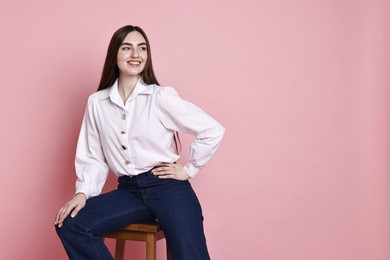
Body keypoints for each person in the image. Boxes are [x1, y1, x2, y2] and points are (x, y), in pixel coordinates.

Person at [54, 25, 225, 260]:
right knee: (71, 224)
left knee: (190, 255)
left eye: (142, 48)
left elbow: (212, 130)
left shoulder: (160, 97)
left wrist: (189, 169)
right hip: (129, 191)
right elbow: (94, 156)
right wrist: (82, 193)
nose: (136, 55)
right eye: (127, 48)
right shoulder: (97, 103)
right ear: (115, 54)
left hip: (168, 188)